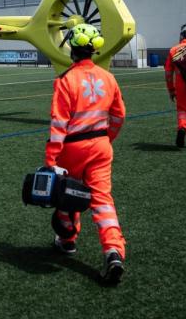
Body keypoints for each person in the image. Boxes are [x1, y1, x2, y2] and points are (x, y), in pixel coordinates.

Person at [46, 23, 127, 284]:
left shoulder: (66, 80)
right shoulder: (108, 78)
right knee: (103, 200)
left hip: (72, 149)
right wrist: (106, 139)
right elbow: (119, 116)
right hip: (101, 146)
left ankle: (67, 239)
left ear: (72, 48)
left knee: (68, 195)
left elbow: (59, 124)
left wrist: (51, 159)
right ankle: (113, 251)